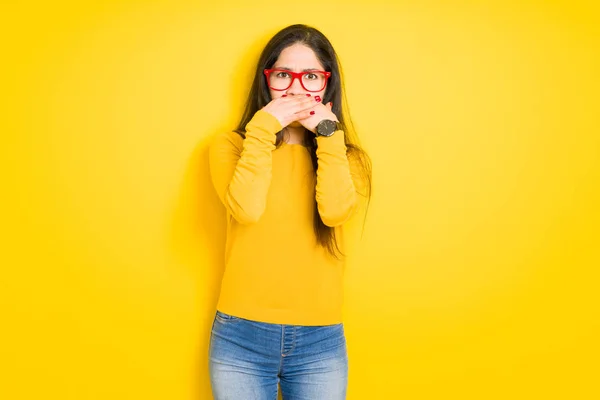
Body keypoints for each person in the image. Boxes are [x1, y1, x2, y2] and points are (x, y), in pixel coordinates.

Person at [207, 23, 372, 400]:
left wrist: (329, 134)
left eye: (310, 76)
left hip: (320, 341)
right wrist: (264, 127)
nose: (296, 88)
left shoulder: (349, 159)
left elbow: (333, 213)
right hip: (239, 336)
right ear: (267, 81)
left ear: (327, 84)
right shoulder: (230, 147)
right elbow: (247, 209)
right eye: (284, 75)